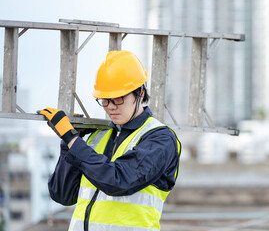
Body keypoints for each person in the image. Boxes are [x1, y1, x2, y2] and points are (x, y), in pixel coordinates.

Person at [39, 50, 181, 231]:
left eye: (118, 98)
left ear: (140, 93)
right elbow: (62, 194)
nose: (111, 107)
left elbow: (118, 180)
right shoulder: (99, 136)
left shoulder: (160, 139)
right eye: (105, 100)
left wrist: (72, 139)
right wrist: (69, 144)